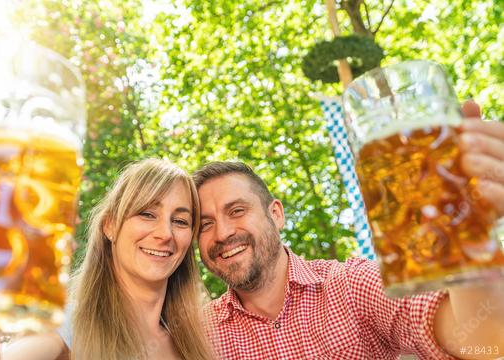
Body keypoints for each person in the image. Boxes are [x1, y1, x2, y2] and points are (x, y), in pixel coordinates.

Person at [193, 102, 504, 359]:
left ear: (276, 214)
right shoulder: (200, 334)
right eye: (205, 224)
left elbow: (484, 343)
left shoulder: (351, 286)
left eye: (237, 211)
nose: (222, 233)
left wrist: (468, 235)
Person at [2, 159, 215, 360]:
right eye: (147, 214)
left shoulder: (194, 341)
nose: (165, 234)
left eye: (179, 221)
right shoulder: (69, 323)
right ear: (110, 226)